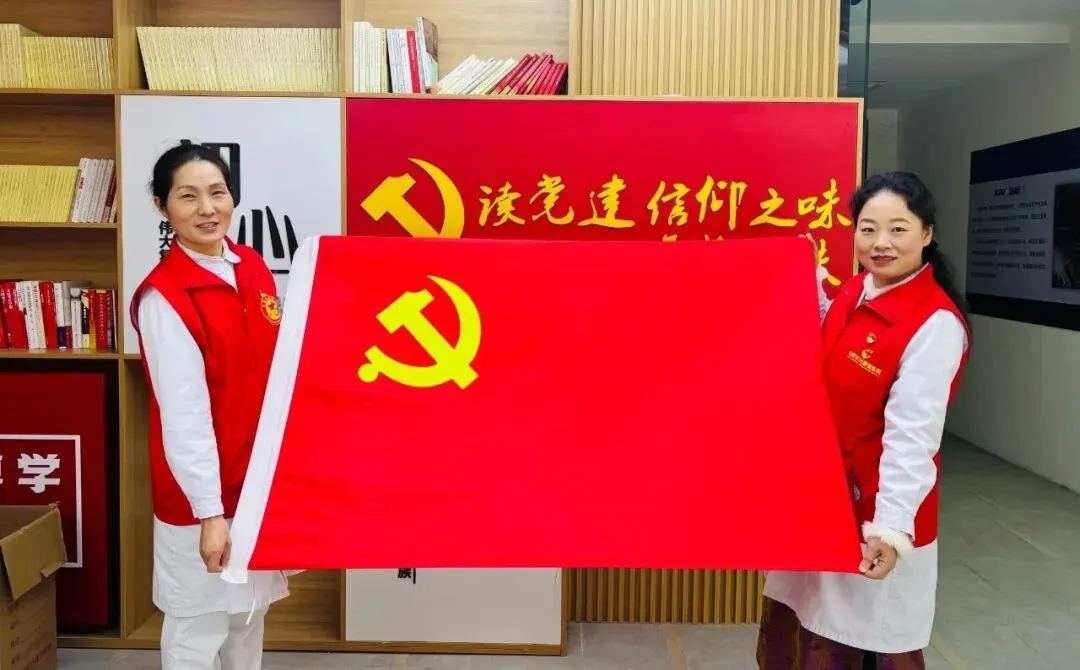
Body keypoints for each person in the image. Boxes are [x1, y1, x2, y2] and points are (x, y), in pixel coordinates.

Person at [756, 172, 971, 669]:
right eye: (868, 229)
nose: (880, 243)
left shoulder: (934, 325)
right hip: (823, 499)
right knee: (801, 624)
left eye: (898, 229)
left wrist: (891, 527)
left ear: (927, 233)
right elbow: (830, 336)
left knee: (856, 639)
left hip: (871, 511)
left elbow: (912, 439)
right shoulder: (858, 290)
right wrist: (804, 280)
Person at [130, 143, 290, 670]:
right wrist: (210, 514)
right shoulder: (165, 297)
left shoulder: (251, 267)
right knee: (199, 626)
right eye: (188, 196)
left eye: (217, 193)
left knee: (247, 619)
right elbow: (185, 418)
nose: (207, 209)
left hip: (254, 483)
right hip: (204, 498)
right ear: (162, 206)